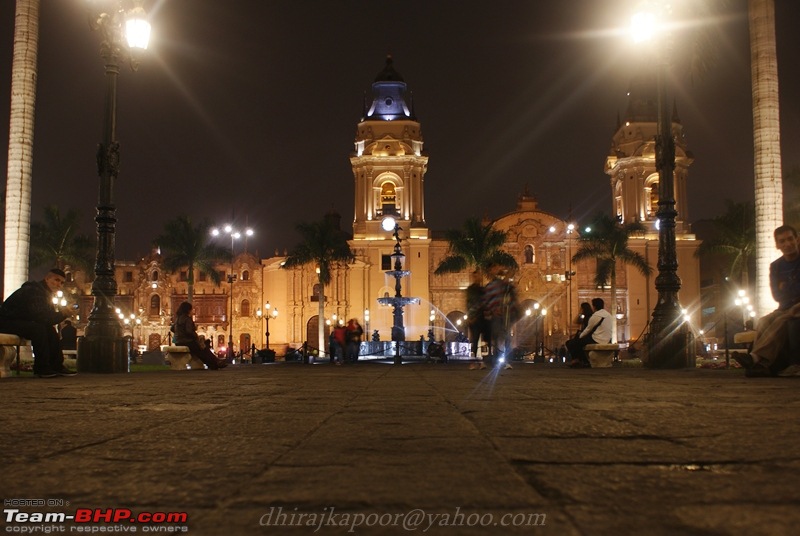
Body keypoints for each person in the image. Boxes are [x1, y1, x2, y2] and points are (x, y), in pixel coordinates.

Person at [737, 225, 800, 377]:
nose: (787, 244)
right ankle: (760, 364)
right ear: (777, 245)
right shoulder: (776, 266)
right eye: (782, 241)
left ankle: (756, 358)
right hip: (785, 307)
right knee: (764, 321)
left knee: (783, 319)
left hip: (795, 307)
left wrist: (787, 286)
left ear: (797, 239)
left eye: (790, 239)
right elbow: (777, 296)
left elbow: (785, 292)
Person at [0, 268, 75, 377]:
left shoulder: (44, 293)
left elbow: (46, 318)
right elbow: (42, 317)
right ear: (47, 279)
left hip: (19, 322)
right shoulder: (34, 291)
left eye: (62, 282)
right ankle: (42, 368)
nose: (59, 284)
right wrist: (63, 314)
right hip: (6, 322)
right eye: (56, 280)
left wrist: (62, 314)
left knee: (48, 328)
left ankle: (56, 366)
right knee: (38, 329)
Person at [483, 263, 520, 370]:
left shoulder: (506, 286)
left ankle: (506, 360)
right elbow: (488, 301)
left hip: (506, 315)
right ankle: (497, 358)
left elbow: (512, 297)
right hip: (496, 315)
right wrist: (490, 312)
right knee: (497, 337)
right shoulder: (492, 286)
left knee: (506, 337)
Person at [173, 301, 227, 370]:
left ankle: (215, 362)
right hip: (186, 341)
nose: (192, 311)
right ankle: (214, 363)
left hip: (179, 341)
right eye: (191, 309)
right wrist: (196, 337)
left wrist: (179, 333)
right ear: (188, 310)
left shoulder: (177, 319)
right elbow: (189, 331)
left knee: (202, 348)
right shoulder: (187, 319)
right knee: (201, 349)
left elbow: (172, 328)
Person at [566, 298, 612, 368]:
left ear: (594, 306)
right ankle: (581, 361)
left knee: (572, 343)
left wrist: (580, 337)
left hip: (597, 339)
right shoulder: (609, 315)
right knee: (578, 343)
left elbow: (587, 330)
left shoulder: (596, 316)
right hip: (607, 339)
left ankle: (582, 361)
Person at [466, 272, 491, 369]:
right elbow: (469, 303)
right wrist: (470, 316)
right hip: (474, 317)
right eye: (476, 276)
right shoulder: (471, 290)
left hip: (482, 317)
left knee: (485, 339)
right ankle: (474, 362)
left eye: (479, 276)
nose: (478, 278)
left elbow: (486, 302)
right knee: (475, 340)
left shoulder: (483, 289)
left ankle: (482, 361)